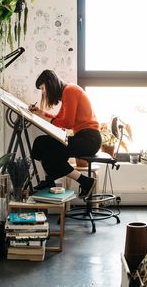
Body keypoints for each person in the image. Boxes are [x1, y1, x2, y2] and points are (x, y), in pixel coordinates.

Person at [29, 70, 102, 198]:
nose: (43, 93)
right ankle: (57, 181)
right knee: (43, 146)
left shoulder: (70, 90)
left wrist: (47, 118)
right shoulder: (66, 93)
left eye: (42, 88)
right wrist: (41, 113)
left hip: (89, 140)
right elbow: (59, 120)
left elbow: (67, 123)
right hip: (83, 137)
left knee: (42, 143)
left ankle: (82, 181)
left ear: (49, 84)